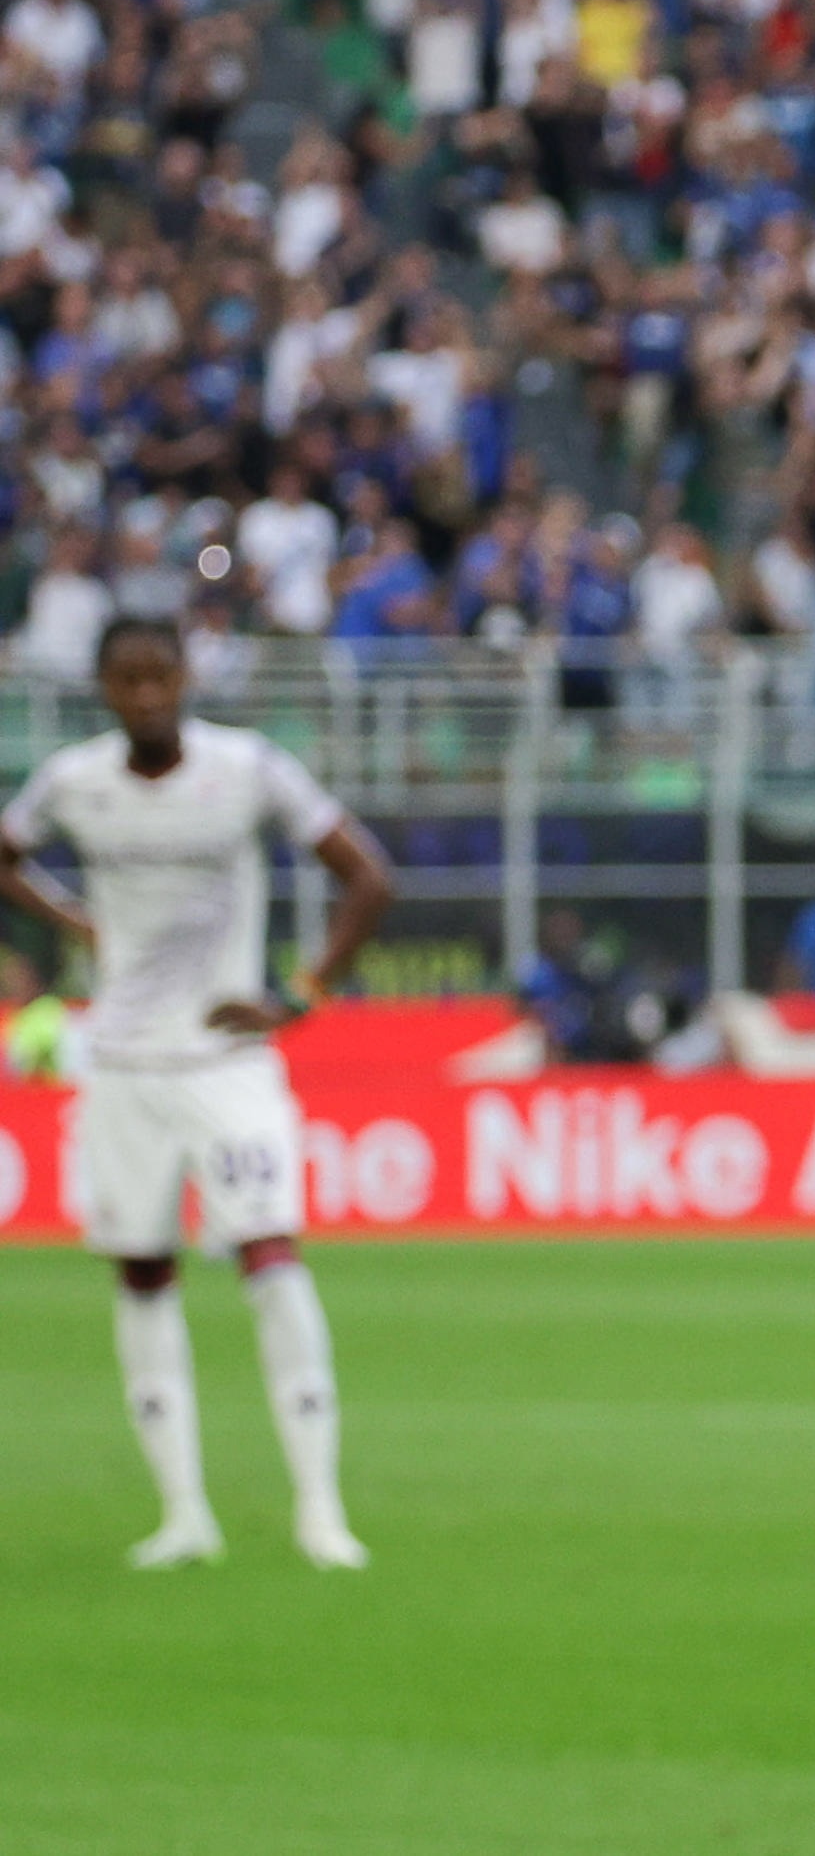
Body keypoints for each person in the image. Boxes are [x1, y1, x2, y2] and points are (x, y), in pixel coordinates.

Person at [0, 617, 398, 1569]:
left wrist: (303, 993)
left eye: (160, 676)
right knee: (142, 1270)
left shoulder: (248, 768)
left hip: (228, 1060)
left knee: (272, 1257)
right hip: (123, 1062)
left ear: (186, 678)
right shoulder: (73, 781)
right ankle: (183, 1513)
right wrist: (71, 920)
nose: (146, 695)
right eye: (127, 679)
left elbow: (368, 877)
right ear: (103, 687)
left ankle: (320, 1510)